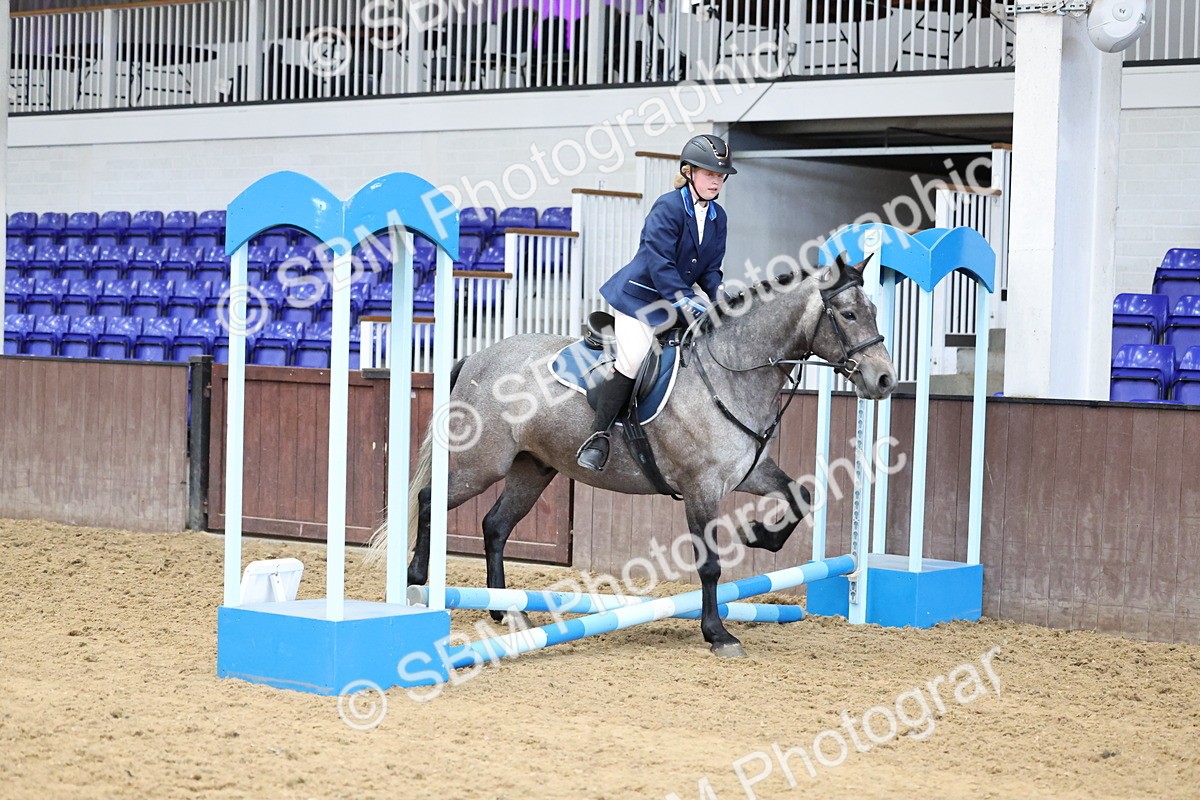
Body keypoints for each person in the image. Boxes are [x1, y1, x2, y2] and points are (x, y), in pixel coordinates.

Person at [575, 133, 736, 472]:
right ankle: (597, 436)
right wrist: (685, 300)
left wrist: (719, 296)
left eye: (720, 176)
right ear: (689, 172)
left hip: (678, 300)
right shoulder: (669, 206)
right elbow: (659, 263)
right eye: (709, 174)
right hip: (641, 299)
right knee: (634, 358)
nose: (716, 181)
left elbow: (710, 269)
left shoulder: (718, 217)